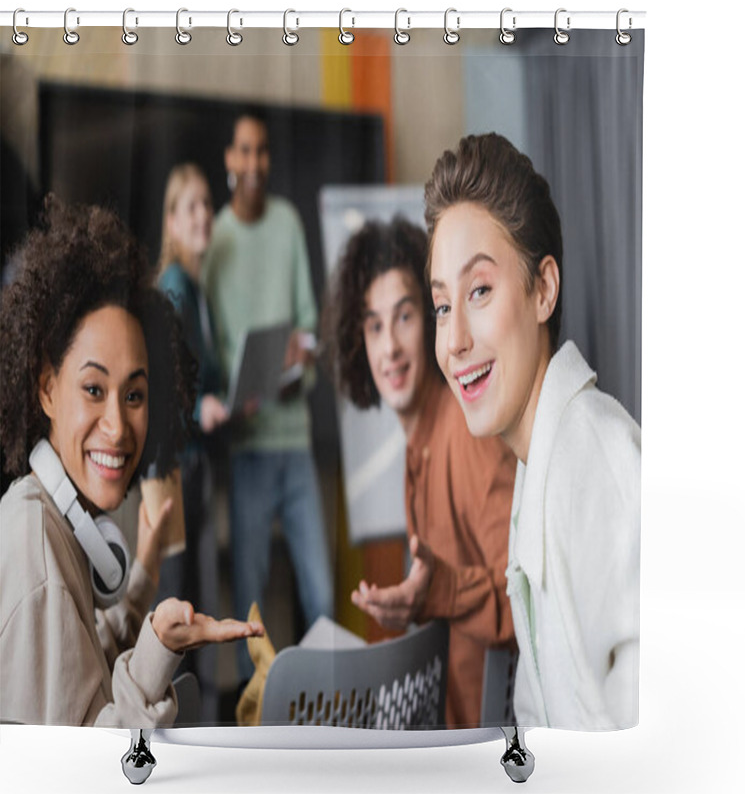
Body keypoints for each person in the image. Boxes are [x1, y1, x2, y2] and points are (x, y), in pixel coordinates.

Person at [0, 197, 263, 726]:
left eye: (135, 395)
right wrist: (154, 654)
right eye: (94, 389)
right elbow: (97, 771)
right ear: (47, 389)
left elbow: (82, 661)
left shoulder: (47, 516)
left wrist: (142, 574)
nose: (119, 426)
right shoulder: (39, 549)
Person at [425, 133, 641, 731]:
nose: (454, 340)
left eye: (481, 291)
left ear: (543, 289)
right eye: (443, 305)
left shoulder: (593, 458)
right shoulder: (537, 461)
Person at [324, 216, 517, 728]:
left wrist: (435, 594)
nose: (388, 347)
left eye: (405, 317)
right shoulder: (420, 443)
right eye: (373, 325)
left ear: (434, 318)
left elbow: (531, 601)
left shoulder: (467, 432)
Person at [204, 111, 333, 683]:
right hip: (249, 449)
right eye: (244, 152)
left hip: (296, 442)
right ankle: (254, 729)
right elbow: (213, 349)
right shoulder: (215, 244)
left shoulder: (286, 223)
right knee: (250, 610)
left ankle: (332, 715)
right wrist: (239, 392)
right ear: (229, 160)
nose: (254, 162)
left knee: (322, 594)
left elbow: (308, 322)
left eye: (262, 152)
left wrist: (298, 355)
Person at [156, 162, 230, 722]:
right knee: (177, 602)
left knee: (194, 595)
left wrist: (227, 396)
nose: (203, 214)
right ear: (172, 222)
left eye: (207, 203)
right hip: (175, 470)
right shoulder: (176, 287)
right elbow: (161, 385)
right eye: (191, 207)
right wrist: (198, 405)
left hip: (194, 464)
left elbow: (202, 376)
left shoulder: (195, 285)